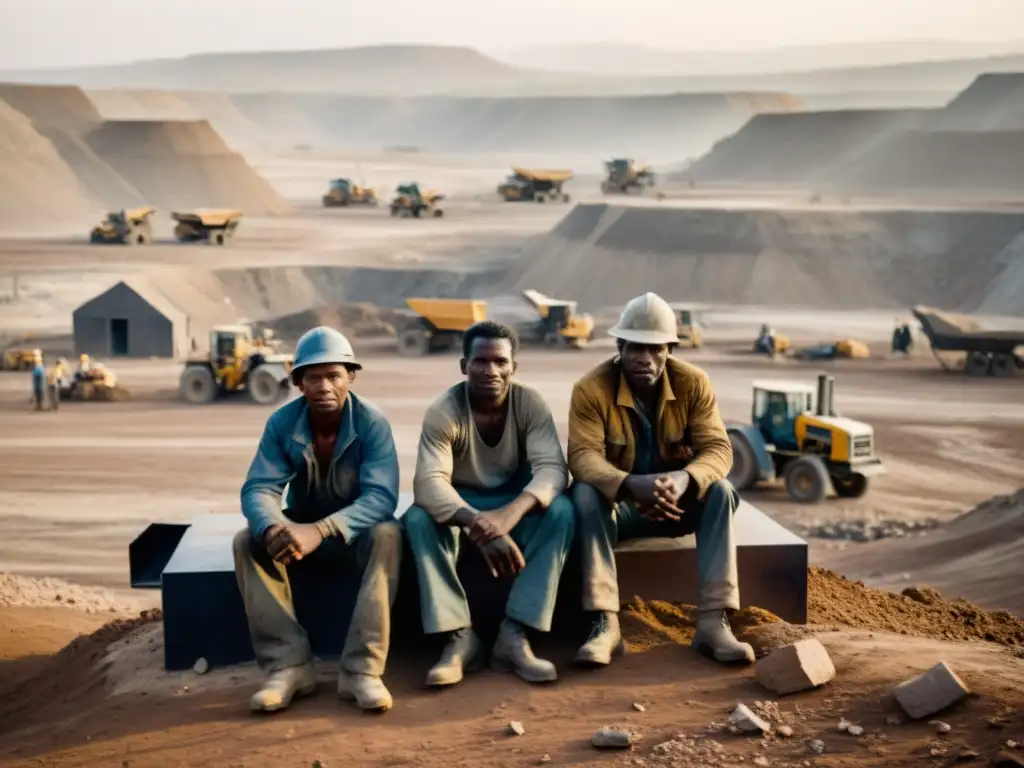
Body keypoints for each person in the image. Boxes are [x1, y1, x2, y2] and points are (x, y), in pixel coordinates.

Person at [567, 292, 755, 668]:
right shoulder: (591, 389)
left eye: (655, 349)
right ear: (619, 345)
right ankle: (606, 623)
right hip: (623, 509)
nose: (645, 358)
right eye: (635, 347)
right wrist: (628, 485)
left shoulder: (694, 383)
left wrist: (686, 479)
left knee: (721, 490)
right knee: (585, 495)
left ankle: (712, 622)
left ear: (670, 349)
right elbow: (582, 457)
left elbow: (718, 448)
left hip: (676, 504)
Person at [234, 326, 402, 714]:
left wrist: (321, 530)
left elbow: (381, 497)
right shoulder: (281, 424)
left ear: (351, 377)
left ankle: (362, 670)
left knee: (389, 535)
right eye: (314, 377)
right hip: (299, 534)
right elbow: (259, 487)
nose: (324, 386)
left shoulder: (372, 423)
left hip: (352, 534)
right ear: (297, 382)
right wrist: (274, 527)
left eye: (334, 375)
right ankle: (288, 665)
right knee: (247, 541)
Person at [403, 321, 575, 687]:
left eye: (500, 362)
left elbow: (553, 470)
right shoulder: (444, 411)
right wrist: (477, 523)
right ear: (464, 366)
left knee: (561, 511)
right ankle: (459, 638)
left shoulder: (529, 403)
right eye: (481, 361)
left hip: (510, 507)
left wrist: (508, 516)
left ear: (514, 366)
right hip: (462, 508)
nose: (491, 371)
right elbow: (428, 482)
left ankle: (515, 635)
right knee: (418, 520)